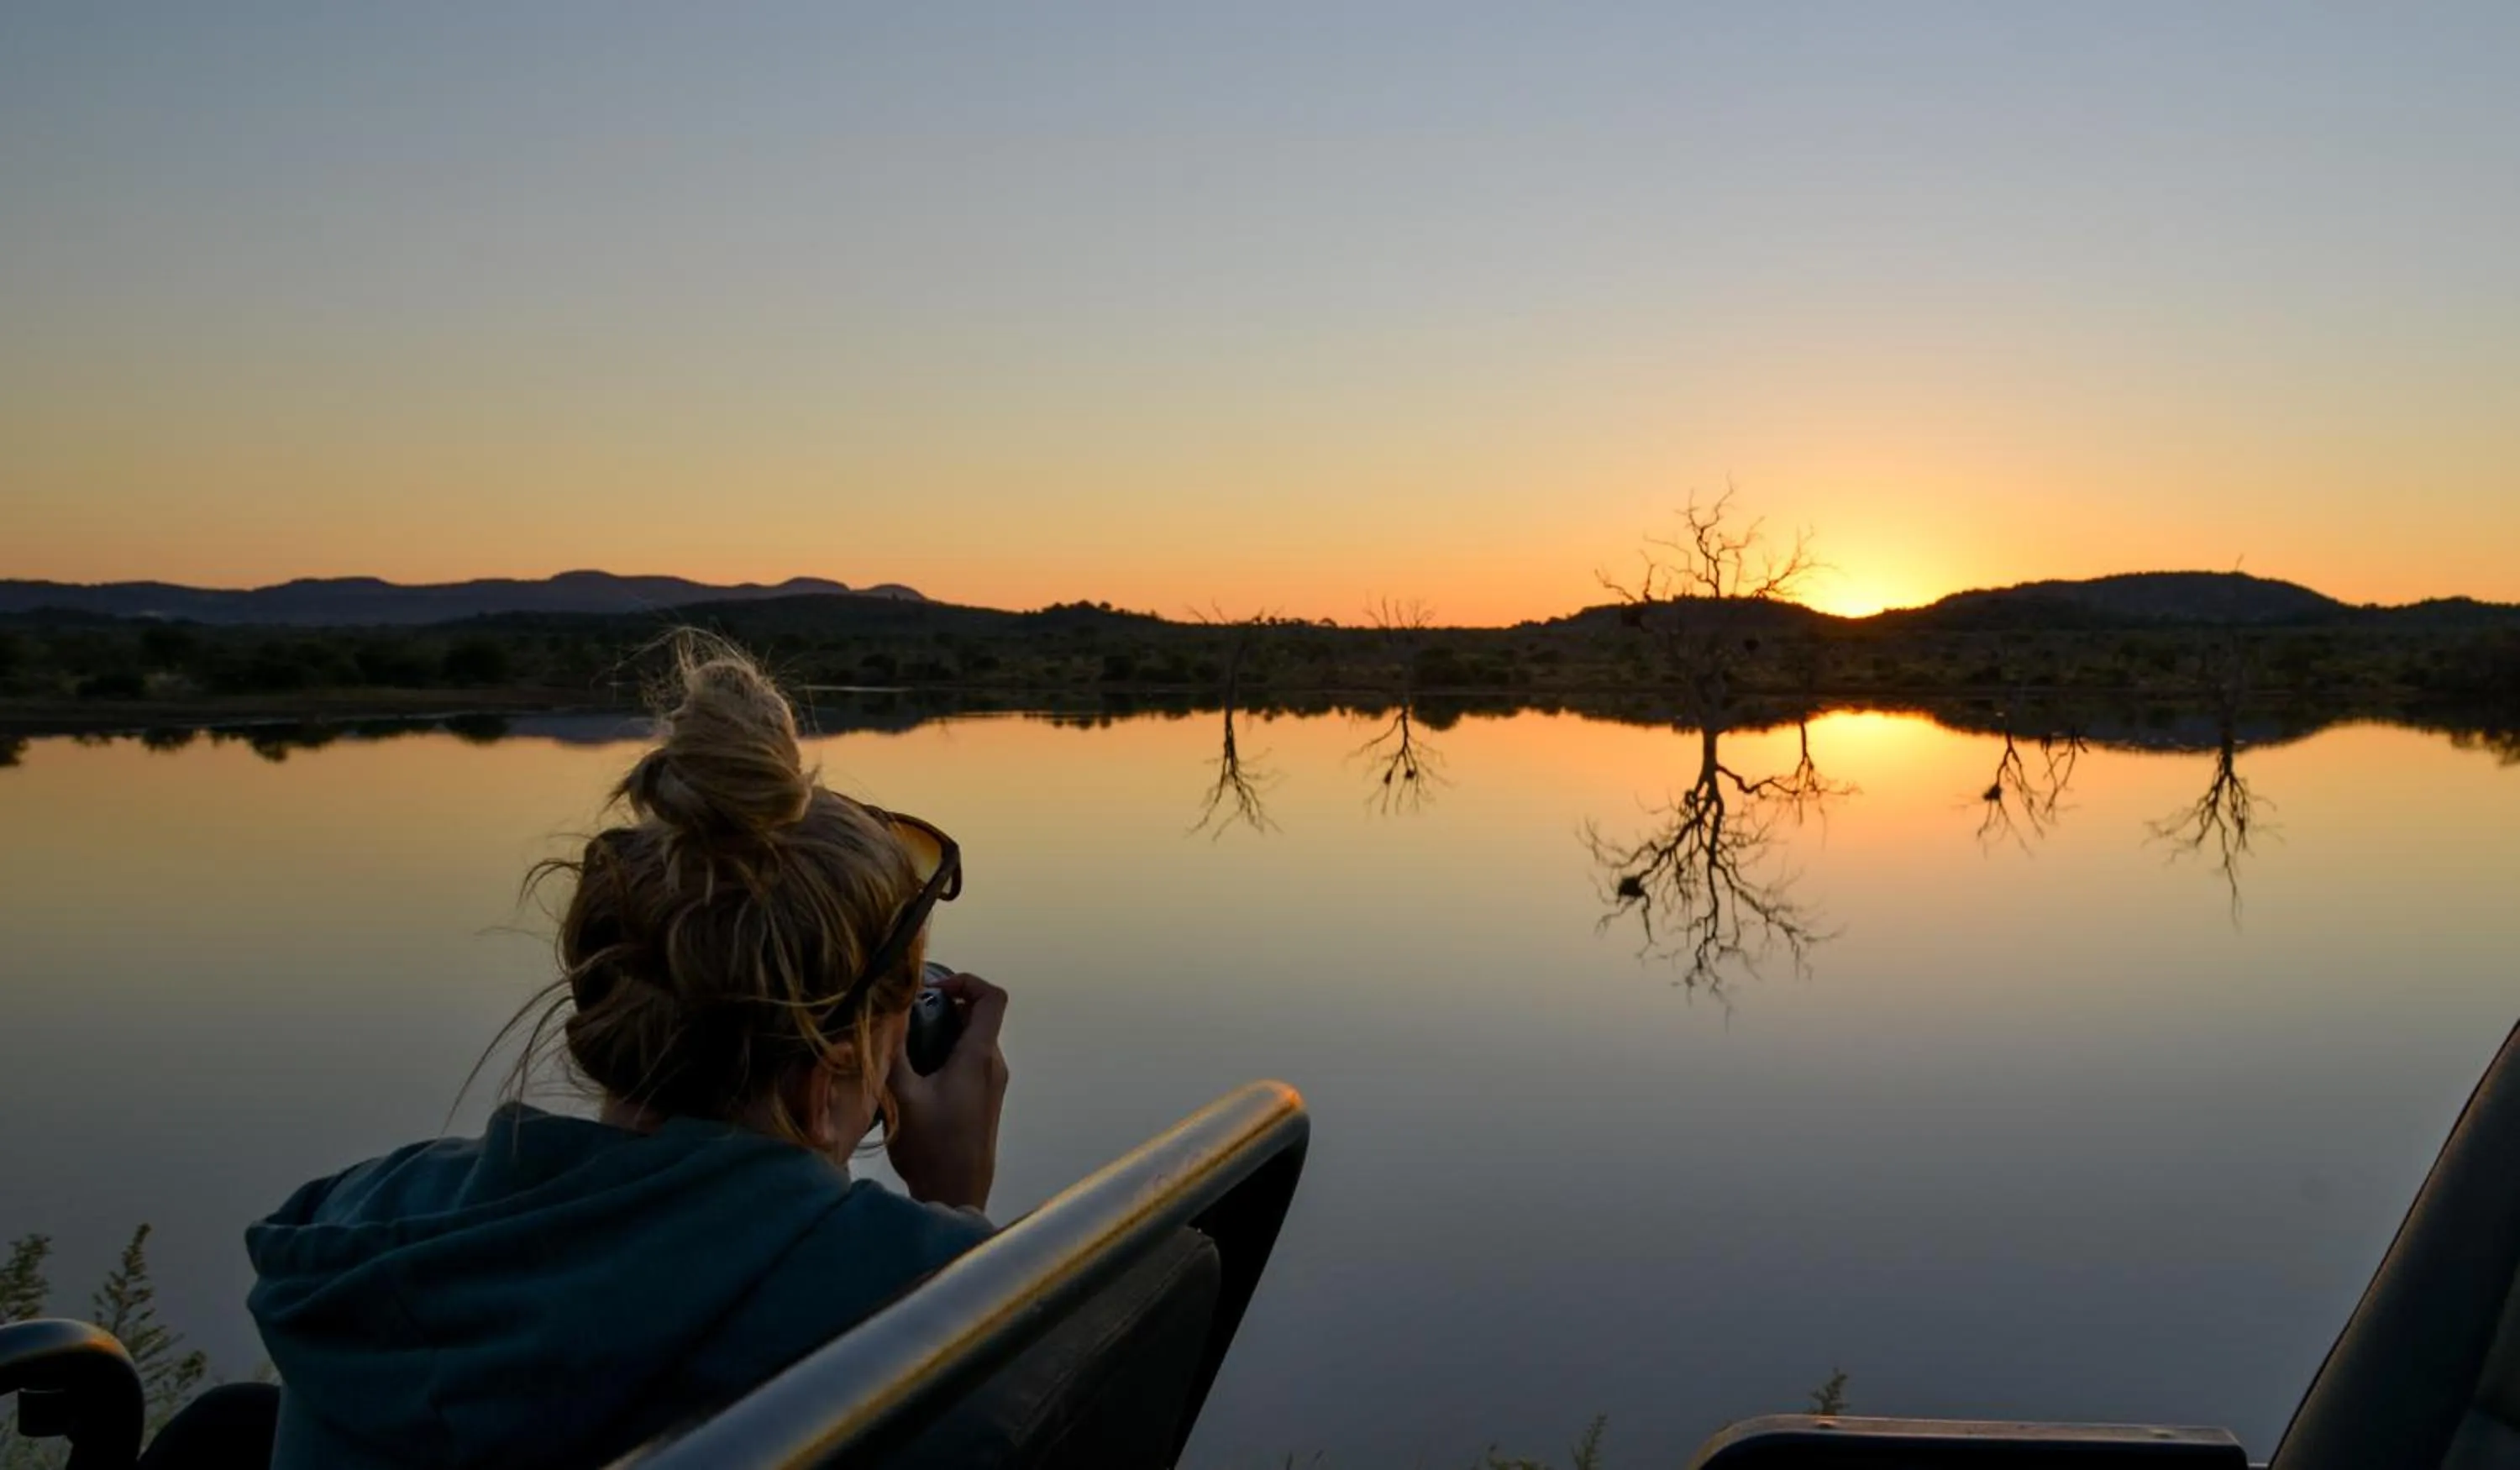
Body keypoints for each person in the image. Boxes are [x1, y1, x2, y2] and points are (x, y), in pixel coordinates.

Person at [229, 634, 1012, 1469]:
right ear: (827, 1082)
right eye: (893, 1034)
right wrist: (957, 1206)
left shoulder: (368, 1219)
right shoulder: (910, 1289)